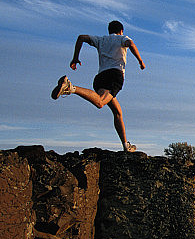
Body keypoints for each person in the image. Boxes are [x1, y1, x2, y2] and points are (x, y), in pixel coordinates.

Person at [51, 20, 145, 152]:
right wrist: (140, 61)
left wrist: (75, 58)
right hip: (114, 76)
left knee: (118, 112)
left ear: (109, 30)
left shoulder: (101, 40)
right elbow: (131, 44)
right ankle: (71, 87)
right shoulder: (122, 38)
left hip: (100, 78)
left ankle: (126, 145)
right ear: (121, 31)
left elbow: (81, 38)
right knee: (100, 102)